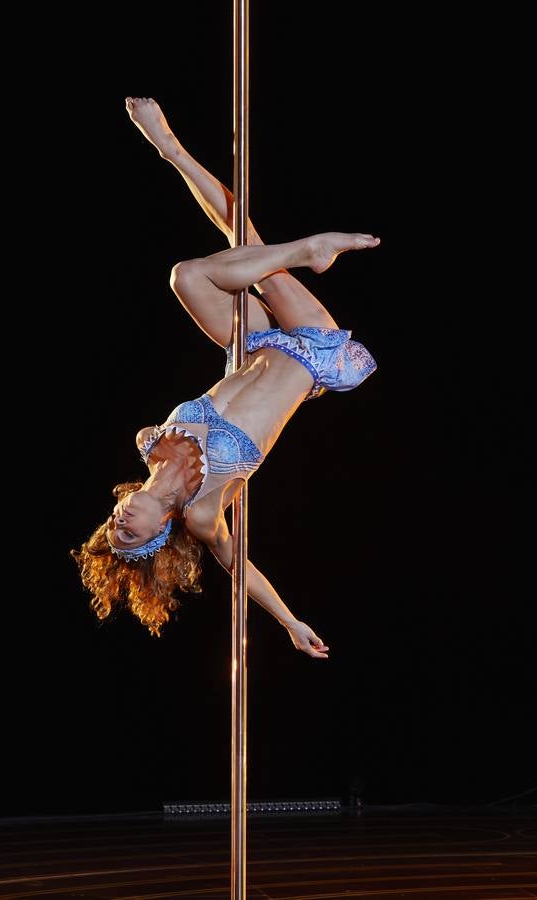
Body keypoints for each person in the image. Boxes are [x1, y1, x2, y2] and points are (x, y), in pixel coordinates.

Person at [70, 97, 380, 659]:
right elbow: (241, 570)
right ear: (159, 535)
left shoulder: (152, 445)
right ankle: (307, 249)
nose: (121, 519)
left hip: (254, 344)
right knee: (246, 244)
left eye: (113, 524)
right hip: (310, 353)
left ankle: (170, 150)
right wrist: (289, 621)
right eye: (129, 533)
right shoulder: (205, 510)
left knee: (190, 272)